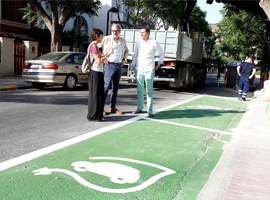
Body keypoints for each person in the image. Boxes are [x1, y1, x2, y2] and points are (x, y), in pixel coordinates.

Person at [131, 27, 165, 117]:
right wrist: (133, 65)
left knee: (149, 91)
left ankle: (150, 110)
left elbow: (162, 53)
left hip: (149, 69)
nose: (141, 34)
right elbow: (135, 55)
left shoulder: (153, 42)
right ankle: (140, 108)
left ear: (148, 33)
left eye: (143, 32)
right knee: (139, 90)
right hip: (139, 69)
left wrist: (159, 63)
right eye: (140, 32)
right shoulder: (138, 42)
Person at [98, 24, 129, 115]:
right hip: (109, 66)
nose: (114, 32)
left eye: (116, 31)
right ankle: (101, 108)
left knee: (115, 88)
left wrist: (124, 59)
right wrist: (103, 57)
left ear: (119, 31)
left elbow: (126, 50)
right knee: (106, 87)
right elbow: (96, 48)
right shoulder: (106, 39)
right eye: (113, 30)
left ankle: (113, 107)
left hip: (119, 66)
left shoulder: (122, 40)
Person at [87, 28, 114, 121]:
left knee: (97, 94)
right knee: (96, 95)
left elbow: (99, 58)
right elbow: (98, 61)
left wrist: (105, 58)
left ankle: (97, 115)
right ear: (96, 36)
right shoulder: (94, 46)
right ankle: (95, 116)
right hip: (96, 72)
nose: (102, 37)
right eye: (101, 36)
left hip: (97, 72)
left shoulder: (94, 45)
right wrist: (108, 54)